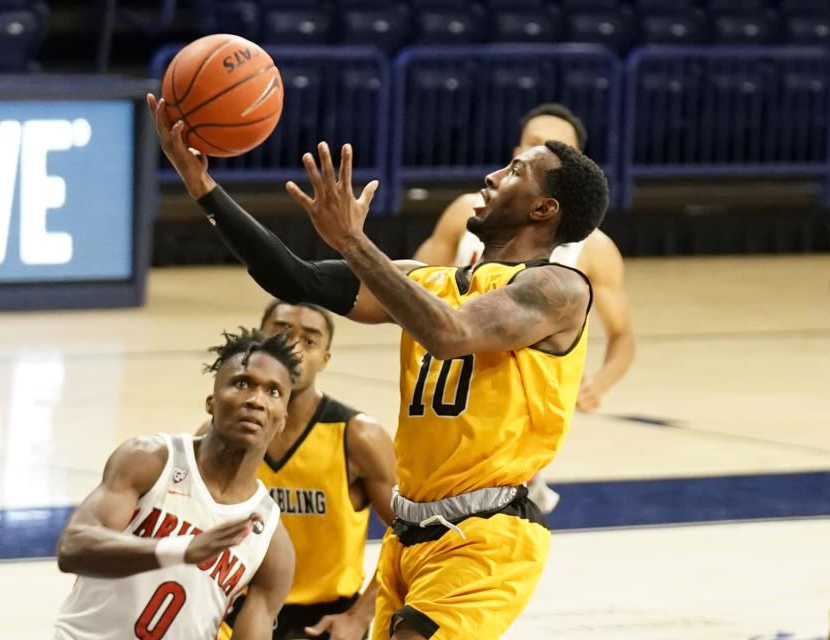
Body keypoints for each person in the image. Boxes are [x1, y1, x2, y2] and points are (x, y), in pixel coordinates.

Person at [148, 93, 609, 639]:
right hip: (410, 534)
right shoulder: (428, 280)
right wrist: (202, 186)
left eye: (513, 172)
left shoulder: (558, 289)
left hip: (489, 536)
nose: (489, 177)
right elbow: (294, 278)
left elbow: (450, 333)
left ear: (544, 209)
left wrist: (351, 240)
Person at [54, 328, 298, 640]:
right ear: (210, 402)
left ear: (282, 420)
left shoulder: (272, 542)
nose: (255, 400)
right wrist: (179, 549)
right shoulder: (150, 460)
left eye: (273, 392)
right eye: (241, 383)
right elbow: (72, 547)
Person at [415, 103, 635, 415]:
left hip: (523, 408)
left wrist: (598, 384)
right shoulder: (465, 212)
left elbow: (622, 336)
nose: (542, 153)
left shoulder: (594, 248)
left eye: (556, 148)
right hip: (448, 385)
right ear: (519, 151)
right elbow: (410, 287)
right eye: (535, 145)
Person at [216, 300, 396, 640]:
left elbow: (409, 537)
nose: (293, 347)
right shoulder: (224, 432)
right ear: (259, 342)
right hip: (235, 610)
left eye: (309, 340)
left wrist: (358, 617)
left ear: (325, 358)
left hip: (324, 620)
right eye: (281, 333)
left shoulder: (358, 436)